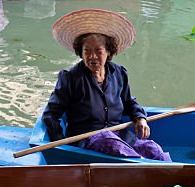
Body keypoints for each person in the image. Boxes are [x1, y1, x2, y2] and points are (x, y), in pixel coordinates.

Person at [41, 9, 170, 161]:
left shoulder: (118, 73)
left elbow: (129, 102)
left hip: (119, 135)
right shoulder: (70, 78)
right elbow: (50, 115)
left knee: (153, 150)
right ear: (80, 53)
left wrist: (141, 118)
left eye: (98, 51)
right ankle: (142, 168)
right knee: (112, 144)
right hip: (88, 140)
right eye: (87, 51)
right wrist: (60, 145)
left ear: (108, 51)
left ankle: (166, 171)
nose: (92, 56)